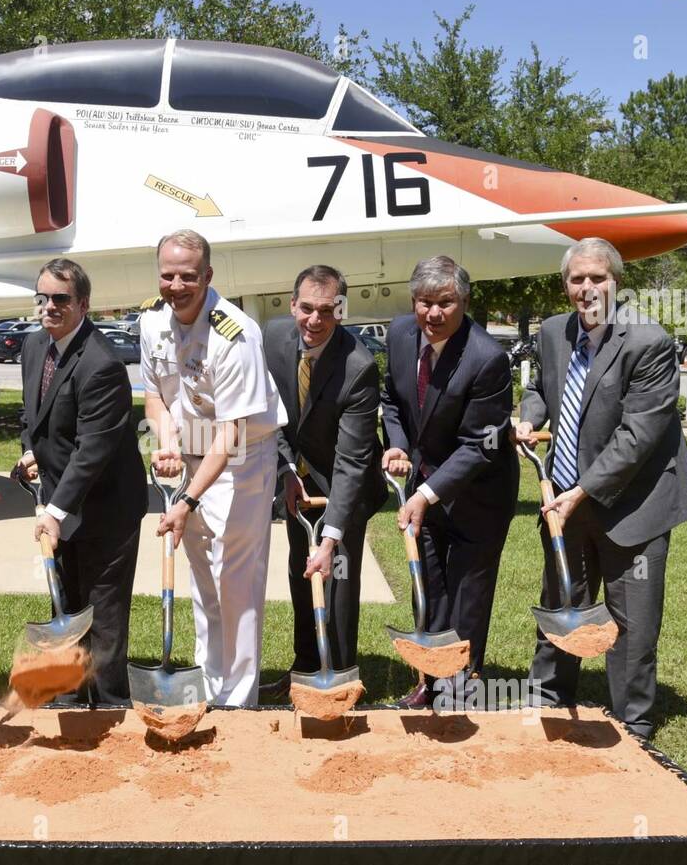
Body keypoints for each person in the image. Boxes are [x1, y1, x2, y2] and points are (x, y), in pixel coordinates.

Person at [515, 238, 687, 739]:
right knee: (561, 601)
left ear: (616, 281)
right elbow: (541, 387)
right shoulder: (554, 332)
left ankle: (634, 723)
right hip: (568, 499)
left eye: (597, 278)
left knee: (631, 620)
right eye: (577, 279)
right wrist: (530, 419)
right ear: (565, 285)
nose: (587, 288)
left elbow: (640, 434)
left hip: (633, 503)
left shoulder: (648, 340)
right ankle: (549, 700)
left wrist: (583, 490)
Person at [139, 229, 287, 706]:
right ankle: (210, 683)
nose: (176, 285)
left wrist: (185, 500)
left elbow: (232, 433)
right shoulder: (151, 322)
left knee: (235, 582)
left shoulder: (235, 332)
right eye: (168, 275)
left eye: (187, 276)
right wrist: (167, 444)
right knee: (203, 578)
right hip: (192, 453)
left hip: (241, 459)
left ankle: (239, 700)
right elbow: (154, 399)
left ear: (207, 276)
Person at [381, 256, 518, 709]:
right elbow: (393, 400)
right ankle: (431, 681)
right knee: (431, 587)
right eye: (424, 302)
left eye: (446, 303)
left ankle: (460, 691)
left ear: (464, 301)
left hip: (477, 495)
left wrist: (425, 492)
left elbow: (480, 445)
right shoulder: (401, 334)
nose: (433, 314)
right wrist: (399, 445)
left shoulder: (487, 359)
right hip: (425, 487)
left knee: (467, 596)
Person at [14, 259, 146, 704]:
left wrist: (53, 511)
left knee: (103, 614)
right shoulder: (35, 347)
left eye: (61, 299)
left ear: (83, 304)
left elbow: (92, 451)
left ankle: (108, 708)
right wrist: (31, 450)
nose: (49, 307)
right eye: (43, 298)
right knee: (66, 604)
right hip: (63, 502)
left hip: (106, 509)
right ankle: (71, 699)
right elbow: (36, 417)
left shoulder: (101, 364)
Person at [259, 265, 385, 698]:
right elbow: (267, 414)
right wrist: (285, 472)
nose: (314, 320)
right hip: (300, 480)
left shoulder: (359, 367)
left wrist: (331, 537)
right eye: (306, 308)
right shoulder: (273, 338)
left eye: (327, 311)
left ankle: (341, 676)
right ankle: (305, 669)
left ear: (341, 310)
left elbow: (352, 461)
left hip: (345, 484)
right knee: (301, 571)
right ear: (292, 305)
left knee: (338, 577)